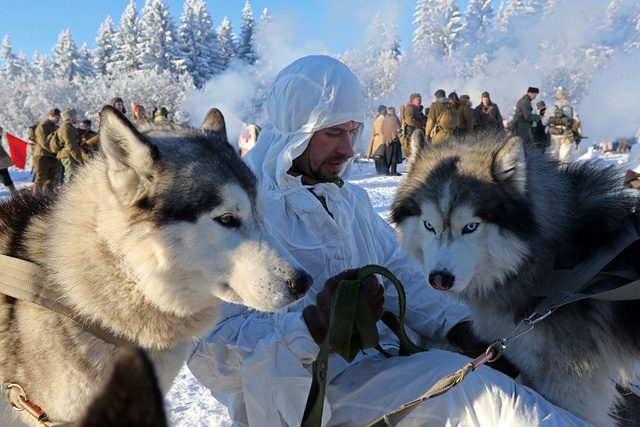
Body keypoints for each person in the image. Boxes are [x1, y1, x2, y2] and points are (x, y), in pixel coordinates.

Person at [188, 55, 589, 427]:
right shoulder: (238, 215)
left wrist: (459, 327)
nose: (348, 149)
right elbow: (209, 353)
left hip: (380, 363)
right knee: (496, 402)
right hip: (312, 396)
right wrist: (313, 327)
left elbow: (401, 272)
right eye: (332, 133)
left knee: (522, 368)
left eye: (352, 131)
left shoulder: (346, 200)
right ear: (296, 129)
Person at [542, 91, 582, 167]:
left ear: (557, 98)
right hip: (567, 134)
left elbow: (544, 122)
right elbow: (578, 124)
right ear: (566, 99)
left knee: (551, 155)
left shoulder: (551, 109)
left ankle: (550, 175)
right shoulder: (571, 110)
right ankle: (563, 175)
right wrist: (578, 139)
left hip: (553, 134)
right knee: (565, 158)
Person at [32, 108, 61, 193]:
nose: (59, 119)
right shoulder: (42, 126)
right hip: (42, 156)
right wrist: (55, 151)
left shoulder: (56, 127)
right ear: (51, 116)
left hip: (52, 157)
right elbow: (43, 142)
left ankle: (48, 198)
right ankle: (35, 199)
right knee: (41, 179)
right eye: (57, 117)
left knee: (53, 179)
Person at [56, 108, 83, 182]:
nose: (76, 118)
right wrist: (79, 158)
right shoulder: (66, 128)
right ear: (71, 117)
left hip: (70, 155)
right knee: (72, 179)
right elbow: (71, 145)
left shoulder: (68, 127)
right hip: (69, 156)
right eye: (75, 116)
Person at [365, 105, 388, 175]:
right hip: (382, 138)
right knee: (382, 154)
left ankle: (378, 169)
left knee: (377, 154)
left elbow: (373, 130)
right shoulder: (384, 118)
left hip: (376, 138)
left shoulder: (376, 118)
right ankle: (382, 169)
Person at [381, 106, 403, 175]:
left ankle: (386, 170)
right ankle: (393, 171)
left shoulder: (385, 119)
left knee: (388, 156)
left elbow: (382, 129)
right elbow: (398, 129)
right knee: (394, 157)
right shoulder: (395, 119)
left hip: (386, 140)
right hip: (395, 140)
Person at [0, 126, 17, 195]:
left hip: (1, 159)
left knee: (6, 179)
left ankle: (16, 197)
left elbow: (0, 130)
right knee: (6, 179)